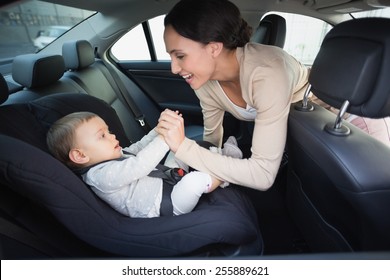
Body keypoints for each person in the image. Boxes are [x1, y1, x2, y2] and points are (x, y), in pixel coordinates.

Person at [158, 0, 310, 191]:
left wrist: (183, 147)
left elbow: (263, 175)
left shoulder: (268, 73)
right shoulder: (204, 82)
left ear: (214, 48)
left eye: (180, 56)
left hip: (317, 117)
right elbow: (212, 139)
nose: (173, 69)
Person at [46, 111, 242, 218]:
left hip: (166, 181)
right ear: (80, 156)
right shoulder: (100, 177)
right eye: (102, 136)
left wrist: (159, 130)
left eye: (108, 131)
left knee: (181, 148)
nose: (112, 135)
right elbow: (140, 165)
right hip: (166, 205)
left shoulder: (113, 157)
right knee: (194, 182)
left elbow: (138, 148)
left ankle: (219, 155)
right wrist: (166, 139)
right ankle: (225, 172)